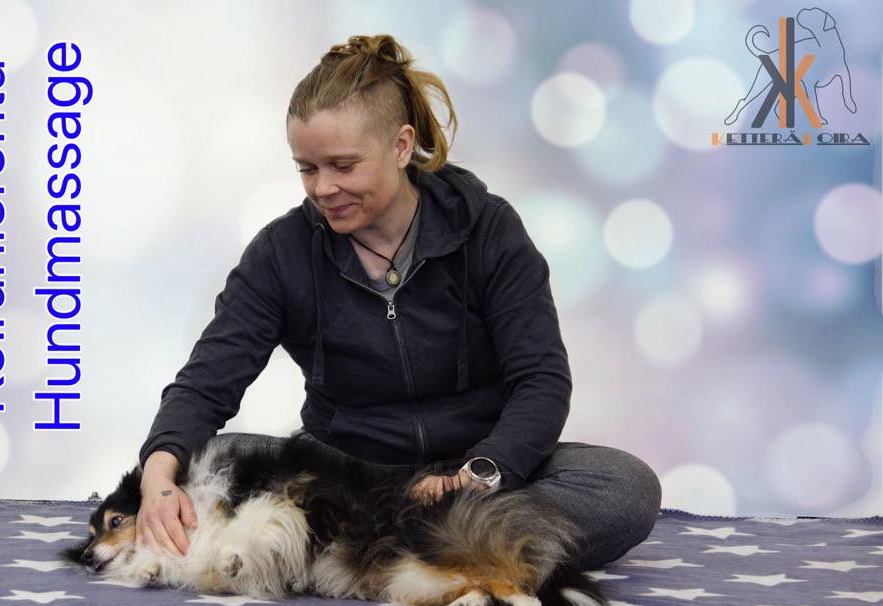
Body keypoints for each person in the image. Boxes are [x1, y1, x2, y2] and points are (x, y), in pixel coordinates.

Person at [135, 34, 661, 570]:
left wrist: (482, 473)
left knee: (626, 488)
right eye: (307, 168)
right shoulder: (280, 252)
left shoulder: (490, 228)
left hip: (473, 477)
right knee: (210, 459)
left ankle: (369, 549)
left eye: (343, 165)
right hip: (345, 479)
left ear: (402, 146)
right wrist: (158, 477)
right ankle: (440, 548)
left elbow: (541, 380)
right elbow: (206, 383)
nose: (323, 188)